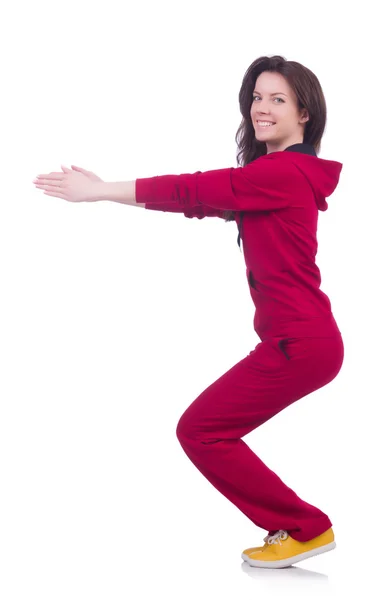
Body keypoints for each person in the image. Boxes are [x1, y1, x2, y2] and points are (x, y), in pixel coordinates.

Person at [33, 54, 344, 569]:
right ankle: (302, 527)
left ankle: (306, 528)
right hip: (295, 340)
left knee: (201, 430)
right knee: (204, 429)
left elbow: (192, 188)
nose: (260, 108)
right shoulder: (273, 175)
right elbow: (199, 202)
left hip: (301, 343)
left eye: (278, 100)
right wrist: (107, 194)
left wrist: (100, 192)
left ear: (305, 113)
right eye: (257, 97)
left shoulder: (285, 172)